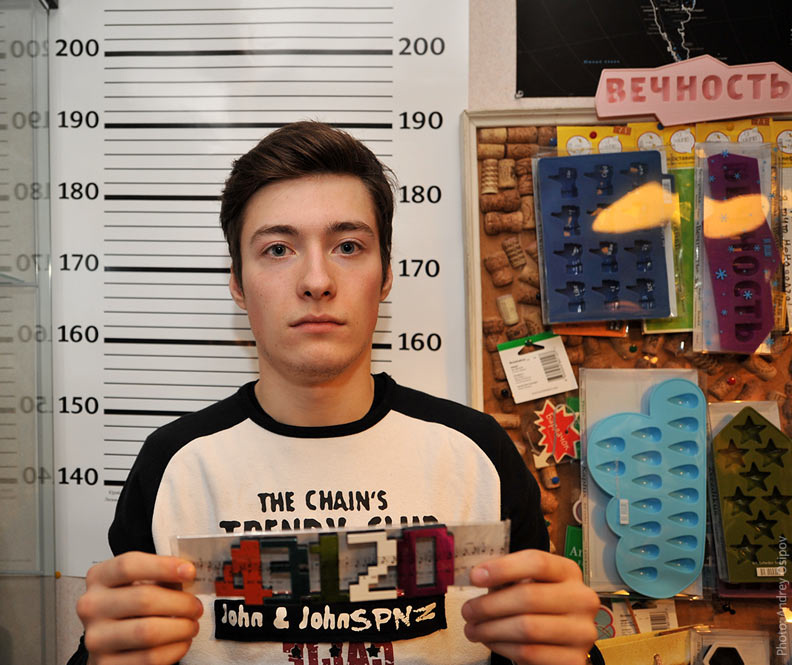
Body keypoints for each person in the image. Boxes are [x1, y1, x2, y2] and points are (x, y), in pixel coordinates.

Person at [69, 122, 600, 665]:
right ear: (237, 283)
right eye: (278, 249)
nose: (316, 281)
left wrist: (573, 658)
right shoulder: (175, 464)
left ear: (386, 275)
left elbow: (545, 642)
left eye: (348, 246)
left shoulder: (477, 451)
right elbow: (118, 645)